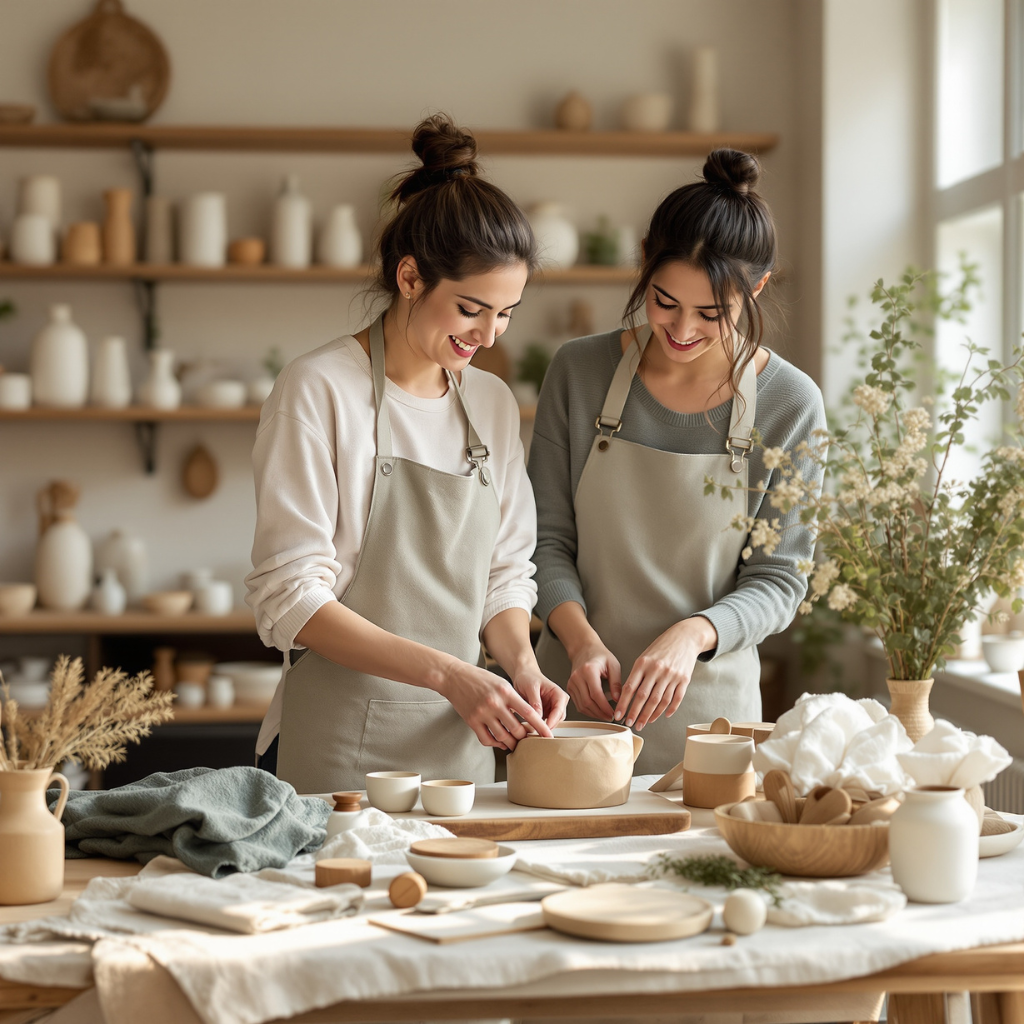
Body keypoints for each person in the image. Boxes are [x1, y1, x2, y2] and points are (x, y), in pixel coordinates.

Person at [246, 114, 567, 794]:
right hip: (339, 755)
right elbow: (291, 598)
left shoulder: (492, 405)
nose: (488, 334)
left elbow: (505, 574)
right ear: (412, 276)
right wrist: (450, 673)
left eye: (507, 312)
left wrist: (522, 668)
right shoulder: (318, 389)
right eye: (472, 309)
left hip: (462, 753)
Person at [528, 149, 826, 775]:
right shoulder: (579, 372)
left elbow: (780, 579)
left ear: (757, 289)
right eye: (664, 302)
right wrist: (579, 641)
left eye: (711, 314)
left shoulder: (790, 403)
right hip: (569, 707)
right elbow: (545, 540)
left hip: (710, 725)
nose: (683, 329)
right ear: (643, 261)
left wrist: (693, 635)